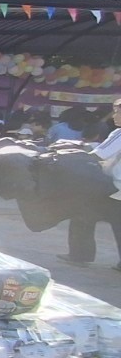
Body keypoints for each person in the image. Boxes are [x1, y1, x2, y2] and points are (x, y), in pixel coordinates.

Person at [61, 97, 121, 269]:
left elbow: (98, 155)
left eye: (117, 112)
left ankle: (79, 255)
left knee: (82, 215)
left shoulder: (119, 134)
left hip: (114, 188)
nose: (114, 116)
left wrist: (72, 157)